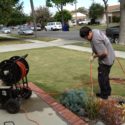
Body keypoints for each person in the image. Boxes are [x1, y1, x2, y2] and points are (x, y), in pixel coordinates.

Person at [79, 26, 115, 99]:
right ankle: (107, 93)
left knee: (101, 78)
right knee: (105, 77)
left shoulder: (96, 40)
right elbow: (96, 46)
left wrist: (94, 56)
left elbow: (104, 53)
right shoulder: (94, 31)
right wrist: (93, 53)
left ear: (89, 32)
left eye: (86, 37)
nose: (86, 39)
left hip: (106, 61)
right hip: (111, 57)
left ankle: (104, 96)